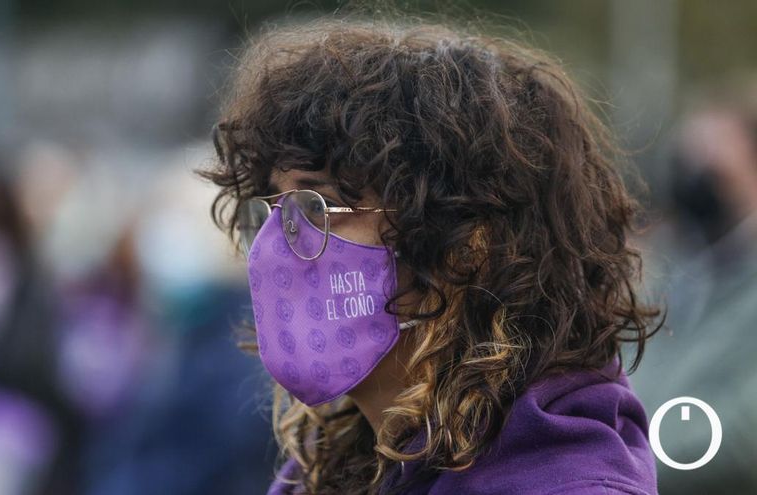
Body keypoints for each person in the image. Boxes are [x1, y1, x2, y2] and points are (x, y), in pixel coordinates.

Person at [198, 12, 663, 495]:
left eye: (318, 207)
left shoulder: (569, 485)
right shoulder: (333, 467)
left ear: (464, 246)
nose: (275, 246)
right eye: (274, 210)